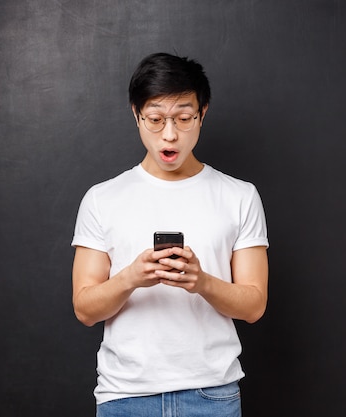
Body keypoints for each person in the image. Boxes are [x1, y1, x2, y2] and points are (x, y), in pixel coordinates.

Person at [71, 52, 269, 417]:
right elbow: (84, 309)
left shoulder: (240, 196)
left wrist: (201, 282)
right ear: (136, 114)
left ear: (203, 113)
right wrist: (131, 277)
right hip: (125, 397)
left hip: (212, 395)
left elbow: (254, 305)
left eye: (183, 117)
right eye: (156, 119)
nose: (170, 134)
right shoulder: (102, 199)